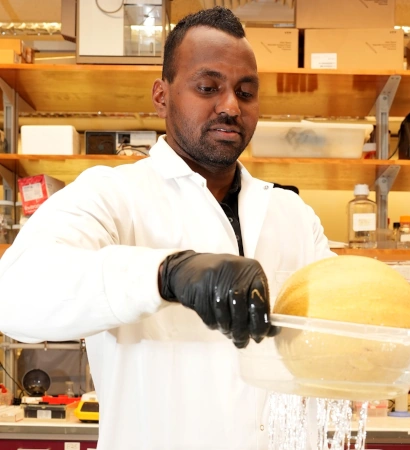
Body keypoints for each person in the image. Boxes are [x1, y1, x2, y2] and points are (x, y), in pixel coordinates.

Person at [0, 6, 334, 450]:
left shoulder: (292, 215)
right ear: (162, 95)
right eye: (208, 87)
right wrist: (166, 274)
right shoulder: (112, 194)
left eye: (246, 92)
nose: (231, 106)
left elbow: (338, 327)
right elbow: (17, 297)